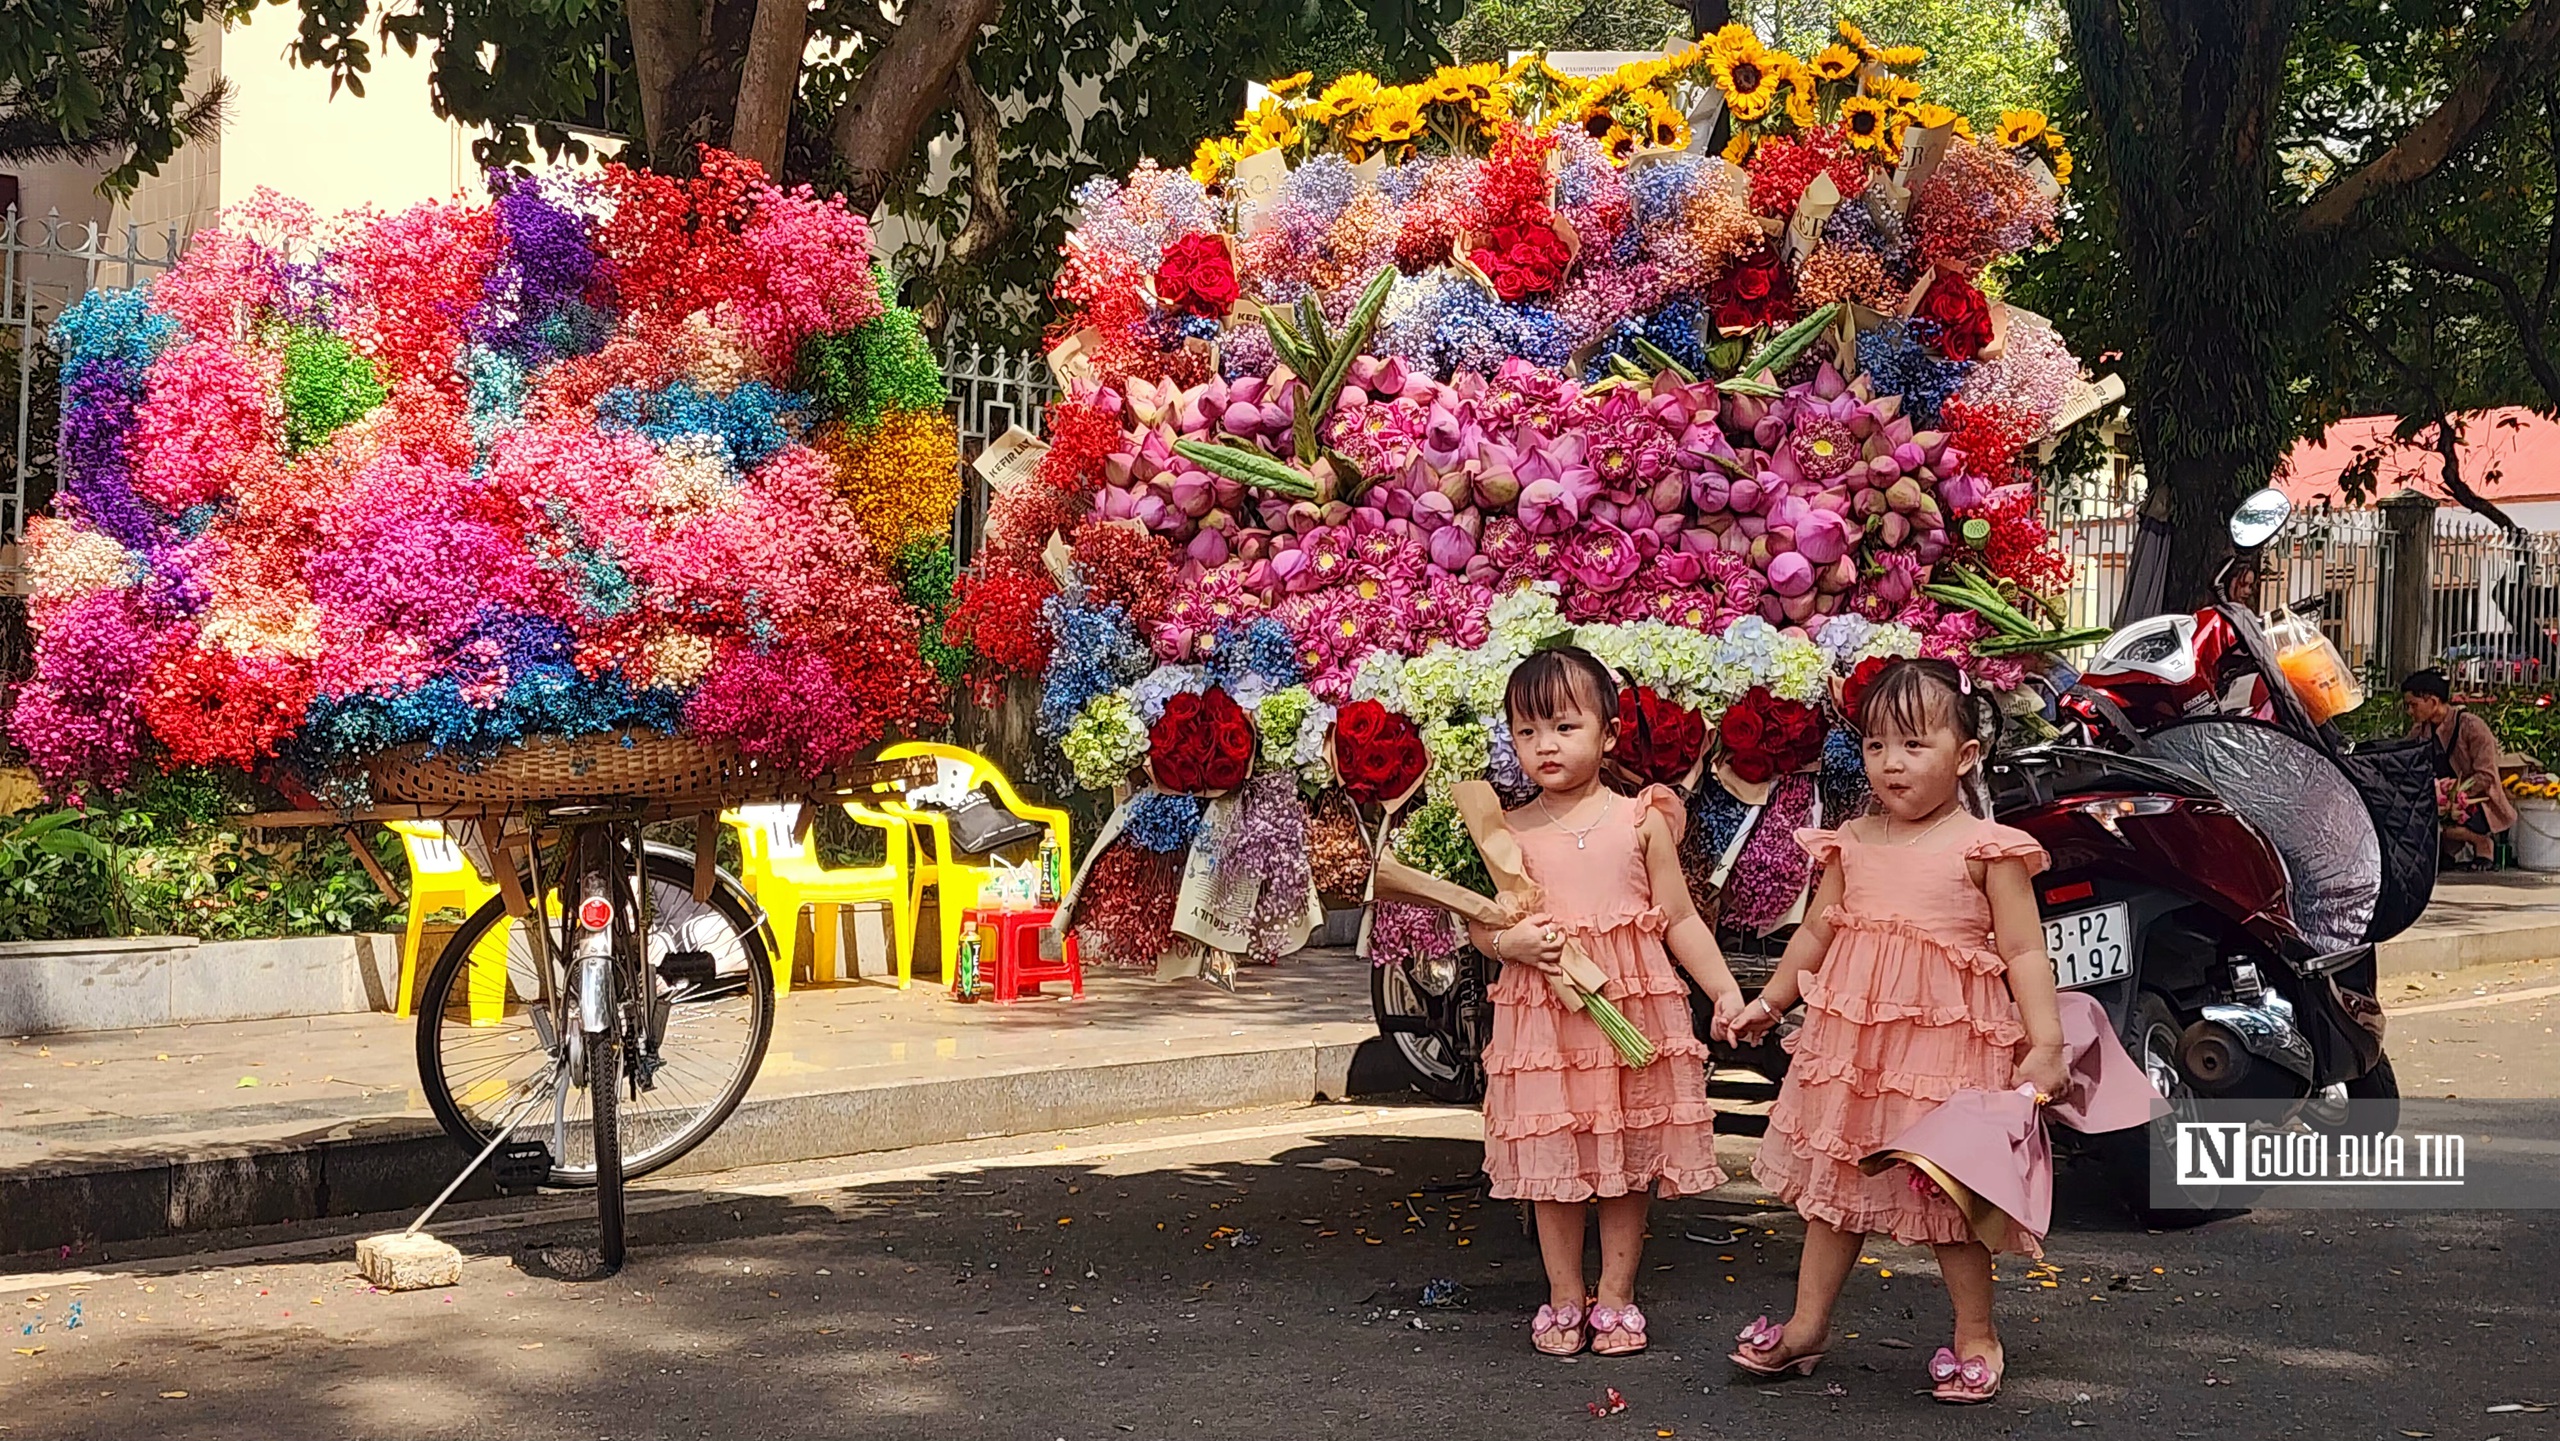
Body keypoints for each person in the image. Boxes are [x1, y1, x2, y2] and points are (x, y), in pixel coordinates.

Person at [1724, 658, 2067, 1404]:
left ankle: (1976, 1331)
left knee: (1949, 1196)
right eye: (1877, 745)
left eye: (1914, 744)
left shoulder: (1986, 849)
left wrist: (2045, 1042)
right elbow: (1816, 933)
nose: (1892, 763)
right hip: (1854, 1051)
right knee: (1836, 1188)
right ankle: (1808, 1325)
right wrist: (1772, 1000)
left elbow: (2024, 951)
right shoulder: (1852, 840)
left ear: (1965, 755)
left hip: (1948, 1050)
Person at [1468, 646, 1745, 1359]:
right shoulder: (1509, 830)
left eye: (1563, 726)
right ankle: (1563, 1292)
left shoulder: (1641, 819)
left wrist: (1723, 989)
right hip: (1544, 1019)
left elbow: (1679, 916)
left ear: (1610, 734)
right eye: (1526, 731)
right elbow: (1480, 922)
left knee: (1628, 1154)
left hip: (1630, 1004)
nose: (1545, 745)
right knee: (1555, 1158)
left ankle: (1617, 1294)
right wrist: (1511, 943)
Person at [2402, 668, 2515, 866]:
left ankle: (2481, 842)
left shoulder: (2472, 726)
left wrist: (2453, 794)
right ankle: (2447, 850)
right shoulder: (2420, 731)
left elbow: (2485, 776)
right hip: (2440, 797)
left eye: (2413, 705)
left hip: (2475, 799)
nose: (2410, 711)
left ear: (2433, 701)